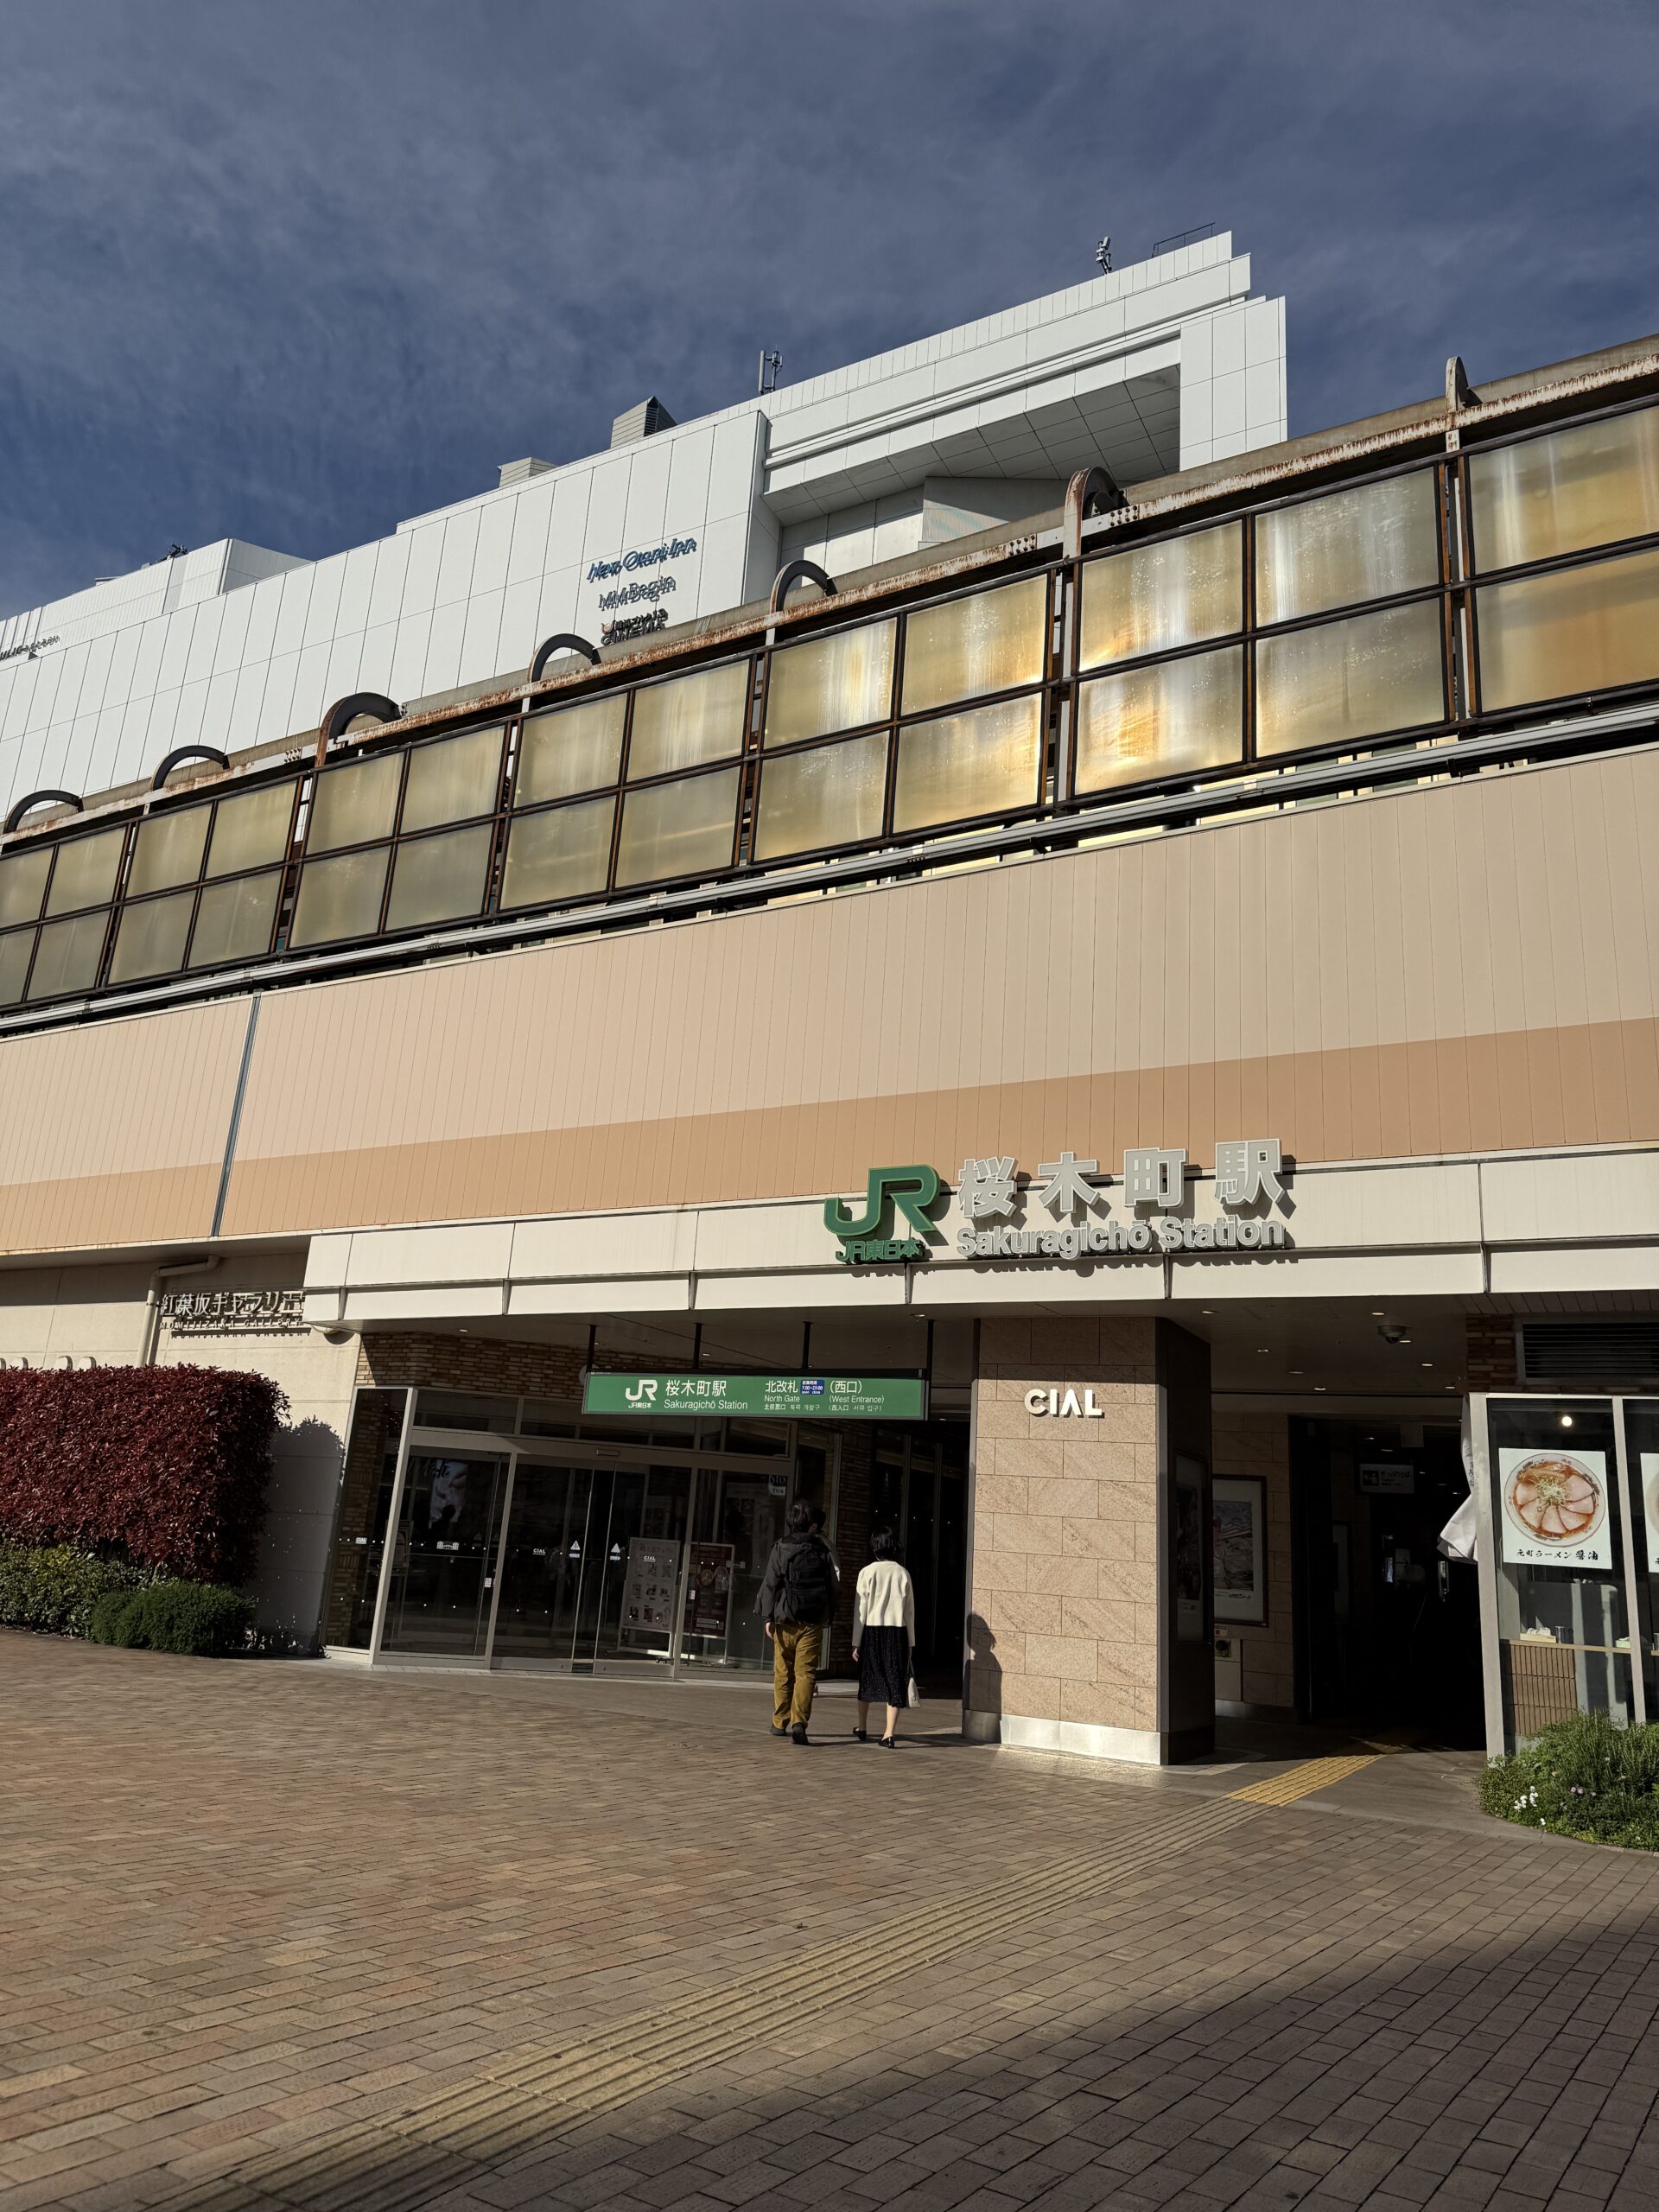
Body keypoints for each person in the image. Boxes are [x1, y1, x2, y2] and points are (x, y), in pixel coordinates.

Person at [755, 1499, 838, 1745]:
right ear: (811, 1523)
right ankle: (799, 1721)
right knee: (805, 1673)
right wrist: (829, 1614)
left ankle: (779, 1722)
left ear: (790, 1522)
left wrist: (767, 1617)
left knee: (783, 1671)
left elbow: (770, 1584)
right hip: (812, 1621)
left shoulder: (781, 1547)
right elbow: (834, 1586)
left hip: (784, 1618)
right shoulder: (822, 1549)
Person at [852, 1527, 916, 1748]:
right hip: (897, 1631)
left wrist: (856, 1641)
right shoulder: (903, 1573)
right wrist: (910, 1642)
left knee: (867, 1679)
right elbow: (909, 1612)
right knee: (895, 1680)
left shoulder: (867, 1572)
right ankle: (888, 1734)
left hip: (871, 1631)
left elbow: (860, 1610)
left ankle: (862, 1727)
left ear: (875, 1547)